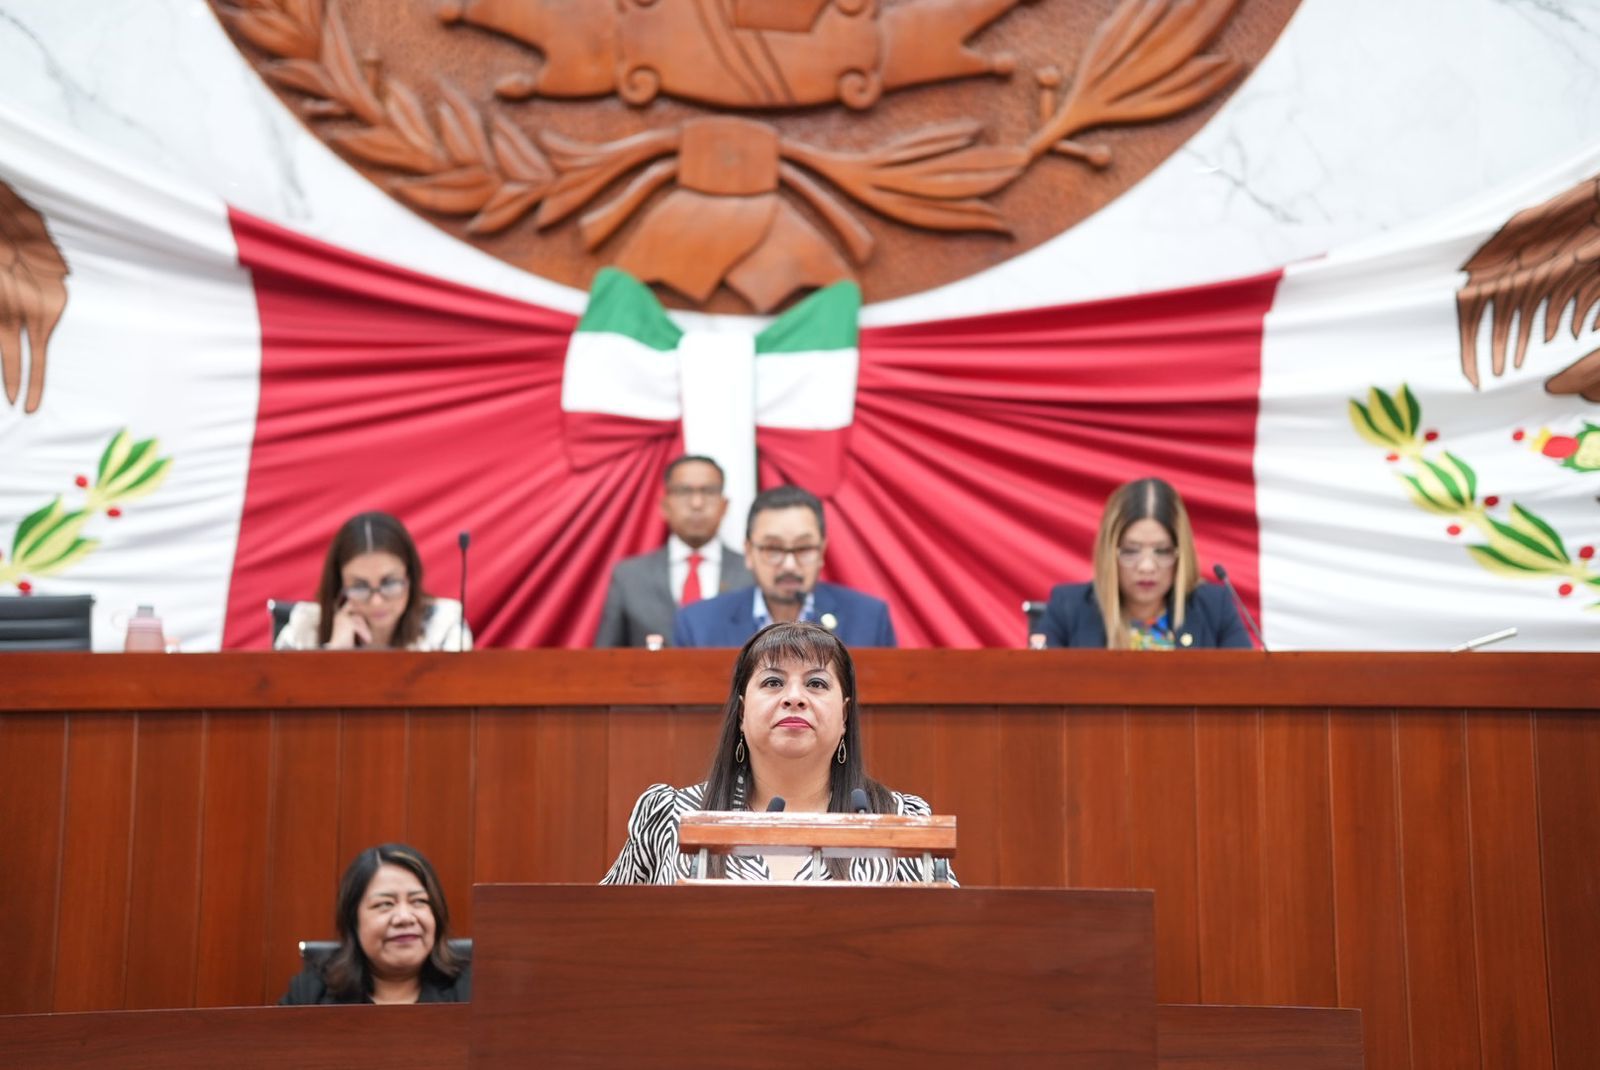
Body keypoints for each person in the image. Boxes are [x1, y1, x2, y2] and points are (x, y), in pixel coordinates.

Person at [603, 621, 947, 883]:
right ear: (741, 713)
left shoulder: (902, 820)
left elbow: (947, 946)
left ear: (844, 716)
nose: (794, 697)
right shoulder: (670, 816)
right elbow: (604, 935)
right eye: (772, 682)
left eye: (816, 684)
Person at [1038, 477, 1251, 649]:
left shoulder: (1214, 607)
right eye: (1131, 551)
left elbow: (1249, 687)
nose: (1147, 567)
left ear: (1180, 553)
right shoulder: (1068, 607)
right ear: (1109, 553)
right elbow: (1036, 690)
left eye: (1162, 551)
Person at [670, 485, 896, 648]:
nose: (789, 565)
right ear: (749, 552)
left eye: (803, 548)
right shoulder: (699, 624)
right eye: (773, 549)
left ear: (822, 551)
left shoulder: (869, 618)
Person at [594, 455, 754, 647]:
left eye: (708, 491)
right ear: (665, 505)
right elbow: (605, 658)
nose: (697, 503)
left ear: (724, 505)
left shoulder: (751, 572)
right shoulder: (629, 576)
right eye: (684, 491)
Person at [280, 843, 471, 1004]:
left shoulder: (474, 989)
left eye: (418, 901)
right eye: (385, 904)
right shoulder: (311, 993)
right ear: (353, 920)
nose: (405, 917)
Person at [274, 511, 471, 650]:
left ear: (410, 576)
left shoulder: (443, 624)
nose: (376, 601)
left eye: (389, 583)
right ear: (339, 586)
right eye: (359, 586)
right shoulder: (305, 627)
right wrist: (334, 654)